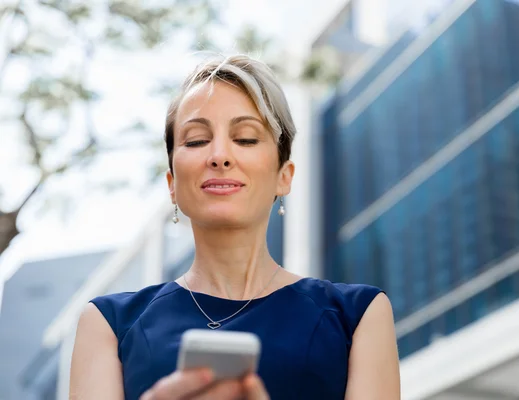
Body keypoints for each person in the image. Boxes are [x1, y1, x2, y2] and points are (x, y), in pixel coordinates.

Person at [69, 53, 401, 400]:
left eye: (245, 138)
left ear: (283, 176)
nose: (219, 155)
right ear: (171, 183)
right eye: (196, 140)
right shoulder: (109, 323)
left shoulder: (357, 315)